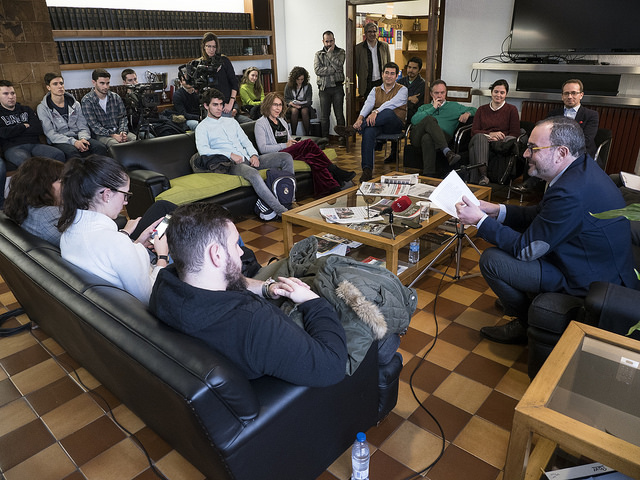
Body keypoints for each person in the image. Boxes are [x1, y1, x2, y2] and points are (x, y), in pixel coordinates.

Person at [455, 117, 637, 344]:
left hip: (585, 277)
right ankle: (522, 300)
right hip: (587, 260)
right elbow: (542, 213)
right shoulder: (580, 169)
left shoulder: (571, 193)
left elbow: (525, 250)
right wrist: (497, 210)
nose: (525, 154)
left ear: (561, 152)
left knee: (492, 261)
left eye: (533, 148)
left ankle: (524, 323)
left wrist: (480, 221)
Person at [148, 202, 348, 387]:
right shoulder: (255, 322)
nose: (241, 252)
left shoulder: (165, 286)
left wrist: (266, 288)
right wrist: (312, 301)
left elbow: (227, 282)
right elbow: (332, 367)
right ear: (216, 254)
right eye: (235, 244)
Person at [58, 155, 169, 305]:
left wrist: (137, 244)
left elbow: (109, 262)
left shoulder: (68, 232)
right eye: (125, 195)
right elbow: (149, 297)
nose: (125, 202)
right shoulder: (115, 242)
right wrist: (163, 256)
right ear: (107, 195)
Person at [194, 88, 294, 219]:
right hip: (231, 165)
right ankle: (281, 211)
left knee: (286, 157)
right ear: (206, 106)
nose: (219, 108)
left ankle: (290, 200)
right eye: (215, 105)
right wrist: (229, 154)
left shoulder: (231, 121)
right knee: (253, 173)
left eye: (221, 104)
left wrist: (253, 155)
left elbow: (245, 141)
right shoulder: (202, 127)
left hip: (249, 158)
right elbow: (203, 151)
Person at [254, 92, 355, 196]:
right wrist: (285, 145)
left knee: (313, 158)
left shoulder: (282, 121)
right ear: (268, 105)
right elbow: (263, 149)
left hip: (287, 151)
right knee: (309, 143)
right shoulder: (260, 123)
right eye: (275, 105)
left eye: (280, 105)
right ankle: (335, 170)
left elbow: (288, 139)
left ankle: (332, 187)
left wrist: (293, 143)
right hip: (275, 155)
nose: (278, 108)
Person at [513, 79, 600, 194]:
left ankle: (536, 185)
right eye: (566, 93)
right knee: (536, 152)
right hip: (554, 149)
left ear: (581, 95)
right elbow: (545, 135)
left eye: (573, 93)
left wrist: (561, 149)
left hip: (580, 152)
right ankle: (532, 185)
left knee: (553, 158)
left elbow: (586, 139)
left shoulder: (591, 115)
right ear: (562, 96)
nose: (570, 96)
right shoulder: (553, 114)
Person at [335, 62, 407, 183]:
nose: (389, 76)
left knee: (388, 112)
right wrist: (360, 118)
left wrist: (376, 111)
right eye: (387, 73)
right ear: (382, 74)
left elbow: (391, 104)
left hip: (395, 125)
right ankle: (367, 170)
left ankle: (353, 129)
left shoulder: (403, 89)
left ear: (396, 76)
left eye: (392, 74)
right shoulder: (375, 90)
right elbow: (368, 104)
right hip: (378, 124)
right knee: (368, 131)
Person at [408, 79, 476, 177]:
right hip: (417, 136)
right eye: (436, 93)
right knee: (429, 119)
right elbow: (414, 120)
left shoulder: (454, 106)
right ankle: (447, 151)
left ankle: (428, 175)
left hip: (443, 136)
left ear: (446, 93)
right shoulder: (425, 107)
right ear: (431, 94)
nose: (439, 96)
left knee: (427, 138)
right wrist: (433, 108)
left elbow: (475, 110)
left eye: (442, 93)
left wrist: (468, 113)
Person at [37, 73, 108, 160]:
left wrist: (83, 138)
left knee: (100, 147)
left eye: (61, 83)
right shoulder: (43, 108)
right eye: (55, 84)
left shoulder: (75, 104)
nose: (60, 86)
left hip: (79, 136)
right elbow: (50, 133)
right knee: (72, 152)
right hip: (60, 140)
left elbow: (83, 126)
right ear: (48, 87)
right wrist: (74, 142)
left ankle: (100, 169)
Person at [0, 79, 66, 168]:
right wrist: (23, 126)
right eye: (5, 94)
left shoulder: (26, 109)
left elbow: (38, 129)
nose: (11, 97)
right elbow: (3, 133)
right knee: (27, 162)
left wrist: (13, 131)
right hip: (13, 148)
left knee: (58, 154)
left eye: (13, 93)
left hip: (35, 144)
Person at [468, 79, 520, 185]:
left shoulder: (512, 109)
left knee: (475, 149)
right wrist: (489, 135)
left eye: (502, 92)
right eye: (496, 92)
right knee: (480, 138)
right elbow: (474, 131)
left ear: (506, 94)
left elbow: (515, 133)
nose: (498, 95)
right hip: (481, 139)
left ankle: (476, 181)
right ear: (491, 92)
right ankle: (483, 175)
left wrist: (499, 137)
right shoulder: (481, 109)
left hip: (500, 143)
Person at [188, 32, 249, 123]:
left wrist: (231, 103)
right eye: (209, 46)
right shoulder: (200, 64)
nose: (211, 49)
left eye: (214, 47)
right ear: (204, 46)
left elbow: (234, 83)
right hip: (208, 106)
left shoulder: (224, 61)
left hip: (224, 106)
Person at [4, 156, 64, 246]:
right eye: (61, 181)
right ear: (42, 185)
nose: (67, 185)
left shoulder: (25, 207)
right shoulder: (49, 214)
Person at [81, 69, 137, 147]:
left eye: (108, 83)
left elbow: (123, 117)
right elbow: (94, 125)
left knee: (135, 139)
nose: (106, 87)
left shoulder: (115, 97)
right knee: (115, 145)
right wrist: (113, 135)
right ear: (94, 82)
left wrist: (122, 132)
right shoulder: (87, 100)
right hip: (101, 135)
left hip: (118, 131)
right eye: (102, 83)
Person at [314, 30, 346, 139]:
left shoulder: (341, 52)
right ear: (323, 41)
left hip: (337, 88)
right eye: (327, 41)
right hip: (324, 89)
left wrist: (330, 54)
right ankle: (325, 139)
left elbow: (339, 65)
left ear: (334, 40)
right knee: (324, 116)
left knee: (339, 115)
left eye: (331, 41)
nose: (329, 43)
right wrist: (333, 69)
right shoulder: (318, 54)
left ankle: (342, 138)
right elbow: (317, 70)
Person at [355, 22, 391, 99]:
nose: (372, 34)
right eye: (369, 31)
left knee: (383, 105)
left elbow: (389, 65)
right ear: (365, 33)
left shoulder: (384, 46)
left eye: (374, 31)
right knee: (368, 105)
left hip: (382, 83)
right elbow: (356, 68)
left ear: (377, 33)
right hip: (367, 84)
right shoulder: (359, 48)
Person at [284, 66, 314, 136]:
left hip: (304, 106)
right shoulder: (289, 85)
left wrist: (301, 105)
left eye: (302, 79)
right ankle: (294, 134)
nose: (300, 81)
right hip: (292, 106)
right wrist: (292, 104)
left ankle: (307, 134)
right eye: (298, 79)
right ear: (294, 79)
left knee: (304, 111)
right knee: (294, 111)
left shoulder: (308, 86)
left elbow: (309, 101)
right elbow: (286, 99)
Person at [398, 57, 425, 124]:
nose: (411, 70)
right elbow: (394, 98)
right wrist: (409, 98)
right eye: (409, 67)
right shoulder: (400, 81)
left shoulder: (422, 84)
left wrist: (402, 99)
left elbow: (414, 102)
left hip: (413, 112)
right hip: (399, 109)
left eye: (414, 68)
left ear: (419, 70)